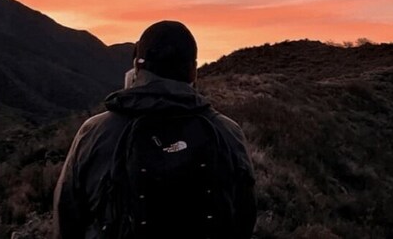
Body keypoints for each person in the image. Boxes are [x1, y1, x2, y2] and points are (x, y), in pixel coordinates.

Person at [53, 20, 256, 239]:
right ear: (193, 72)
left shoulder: (93, 133)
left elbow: (67, 218)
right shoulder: (227, 133)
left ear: (136, 68)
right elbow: (245, 218)